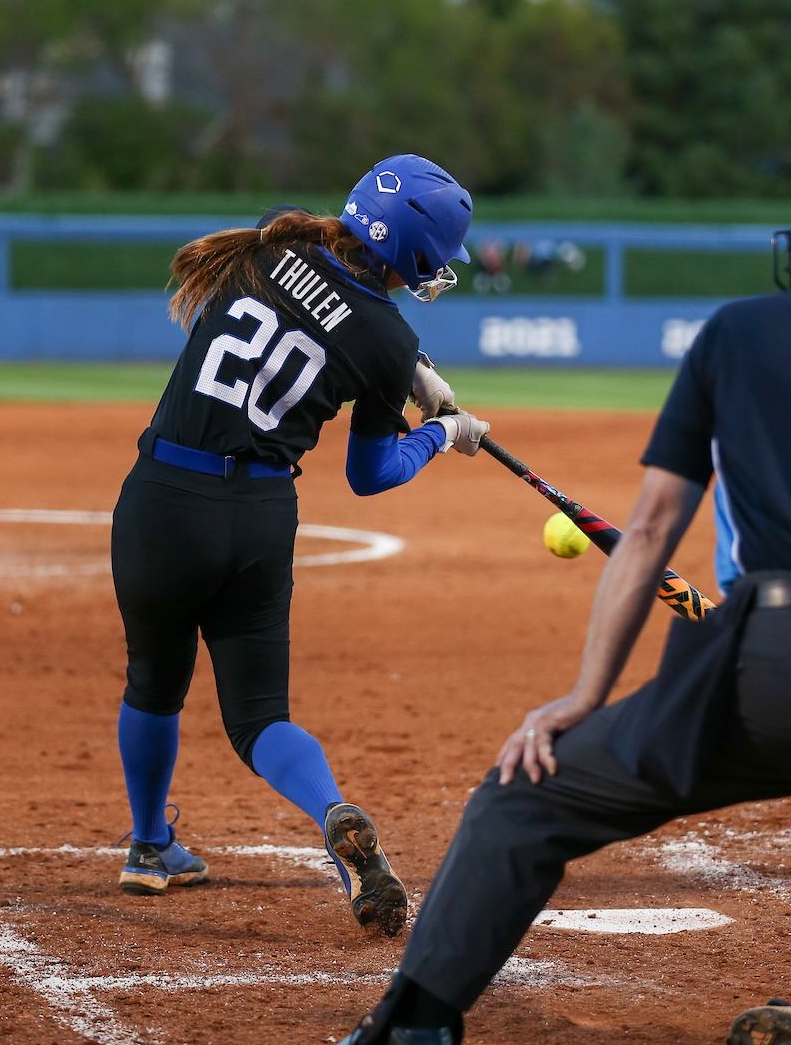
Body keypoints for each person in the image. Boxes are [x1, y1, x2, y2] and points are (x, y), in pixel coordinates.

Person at [336, 232, 791, 1041]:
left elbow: (648, 530)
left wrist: (585, 697)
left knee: (521, 796)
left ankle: (413, 1028)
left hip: (771, 664)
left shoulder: (740, 332)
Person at [111, 154, 489, 939]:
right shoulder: (389, 339)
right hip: (258, 519)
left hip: (163, 502)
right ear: (414, 255)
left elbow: (321, 294)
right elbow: (372, 475)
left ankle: (148, 848)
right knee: (259, 719)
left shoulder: (274, 239)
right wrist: (441, 429)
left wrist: (410, 371)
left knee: (153, 682)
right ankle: (331, 809)